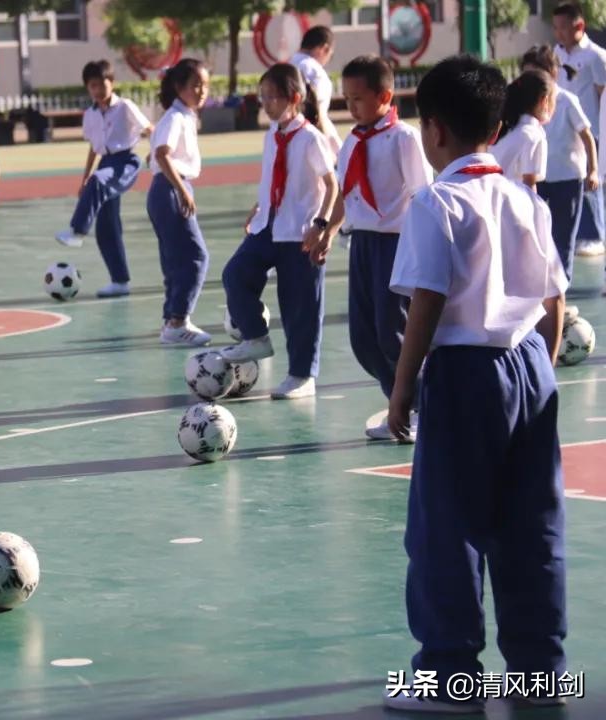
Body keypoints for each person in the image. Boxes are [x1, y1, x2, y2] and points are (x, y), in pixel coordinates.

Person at [384, 55, 568, 714]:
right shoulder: (525, 197)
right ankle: (539, 671)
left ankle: (450, 676)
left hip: (465, 371)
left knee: (447, 528)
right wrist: (539, 373)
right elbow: (555, 303)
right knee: (532, 527)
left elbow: (427, 303)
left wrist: (402, 389)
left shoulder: (438, 201)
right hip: (530, 367)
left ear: (433, 131)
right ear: (496, 125)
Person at [220, 63, 338, 400]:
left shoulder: (311, 138)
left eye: (273, 97)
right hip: (268, 225)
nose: (266, 103)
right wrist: (259, 208)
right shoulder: (272, 135)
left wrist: (320, 225)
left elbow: (332, 185)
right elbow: (274, 180)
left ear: (295, 98)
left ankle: (302, 375)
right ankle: (255, 336)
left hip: (300, 231)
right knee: (235, 274)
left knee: (300, 306)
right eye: (263, 96)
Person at [333, 55, 431, 438]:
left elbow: (424, 195)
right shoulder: (353, 140)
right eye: (346, 97)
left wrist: (424, 248)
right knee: (363, 339)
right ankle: (399, 408)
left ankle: (423, 407)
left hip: (396, 243)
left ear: (385, 96)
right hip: (362, 243)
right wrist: (326, 229)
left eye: (357, 98)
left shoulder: (403, 139)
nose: (350, 105)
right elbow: (346, 193)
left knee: (394, 332)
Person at [54, 59, 152, 298]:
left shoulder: (125, 106)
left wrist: (156, 152)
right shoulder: (90, 114)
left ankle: (77, 231)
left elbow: (148, 128)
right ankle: (119, 281)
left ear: (112, 83)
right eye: (92, 86)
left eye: (102, 84)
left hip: (126, 161)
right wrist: (84, 177)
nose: (97, 90)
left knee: (99, 182)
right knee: (107, 227)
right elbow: (93, 148)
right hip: (105, 163)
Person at [147, 58, 212, 347]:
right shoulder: (174, 118)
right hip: (171, 188)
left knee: (175, 261)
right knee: (196, 257)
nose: (201, 91)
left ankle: (170, 321)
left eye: (205, 86)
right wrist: (182, 190)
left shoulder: (185, 115)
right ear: (179, 87)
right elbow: (162, 154)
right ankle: (178, 320)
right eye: (195, 85)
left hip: (170, 188)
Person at [523, 45, 599, 283]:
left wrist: (593, 170)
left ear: (552, 74)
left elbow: (587, 136)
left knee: (562, 240)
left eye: (536, 74)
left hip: (567, 180)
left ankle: (560, 294)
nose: (531, 81)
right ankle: (538, 294)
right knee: (534, 238)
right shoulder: (523, 105)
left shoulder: (567, 100)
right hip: (536, 180)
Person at [552, 1, 606, 256]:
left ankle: (596, 235)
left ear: (580, 25)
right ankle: (580, 234)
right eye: (556, 27)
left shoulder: (596, 56)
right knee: (573, 183)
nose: (558, 33)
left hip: (590, 131)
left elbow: (602, 95)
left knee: (592, 183)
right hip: (564, 131)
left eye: (563, 27)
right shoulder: (557, 53)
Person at [491, 70, 552, 189]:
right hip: (512, 202)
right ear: (544, 100)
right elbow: (529, 184)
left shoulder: (506, 130)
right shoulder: (534, 135)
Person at [292, 26, 341, 155]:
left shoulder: (285, 67)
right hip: (309, 139)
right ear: (325, 48)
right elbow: (317, 113)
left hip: (280, 138)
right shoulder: (315, 72)